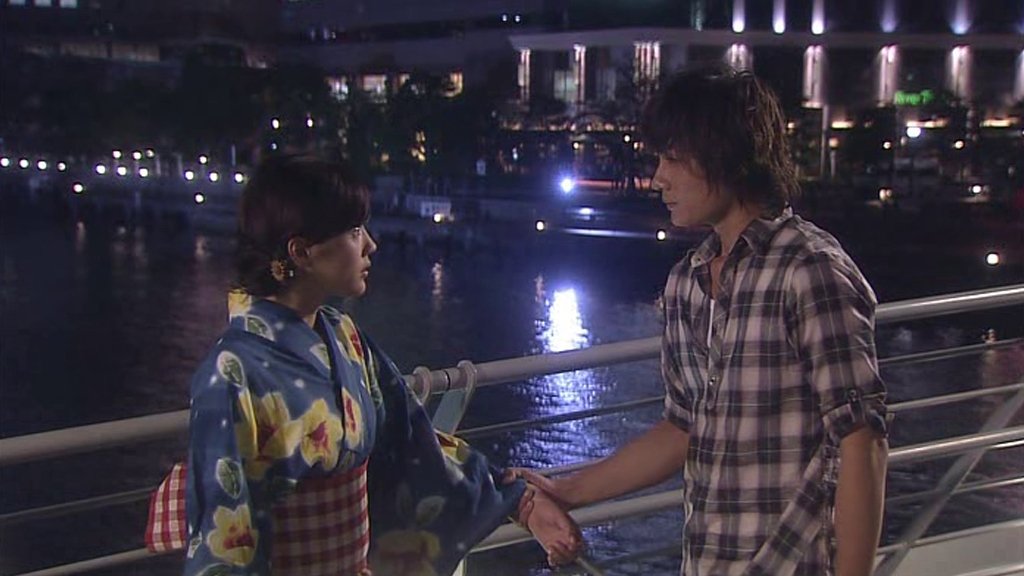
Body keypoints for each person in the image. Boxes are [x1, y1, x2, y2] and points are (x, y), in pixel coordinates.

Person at [513, 66, 890, 575]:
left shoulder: (810, 270)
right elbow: (684, 428)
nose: (658, 178)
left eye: (673, 158)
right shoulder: (686, 283)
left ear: (727, 155)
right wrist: (568, 491)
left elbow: (861, 440)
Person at [146, 154, 581, 575]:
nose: (371, 244)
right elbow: (227, 540)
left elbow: (413, 443)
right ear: (301, 252)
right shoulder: (233, 372)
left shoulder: (343, 336)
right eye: (354, 231)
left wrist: (521, 501)